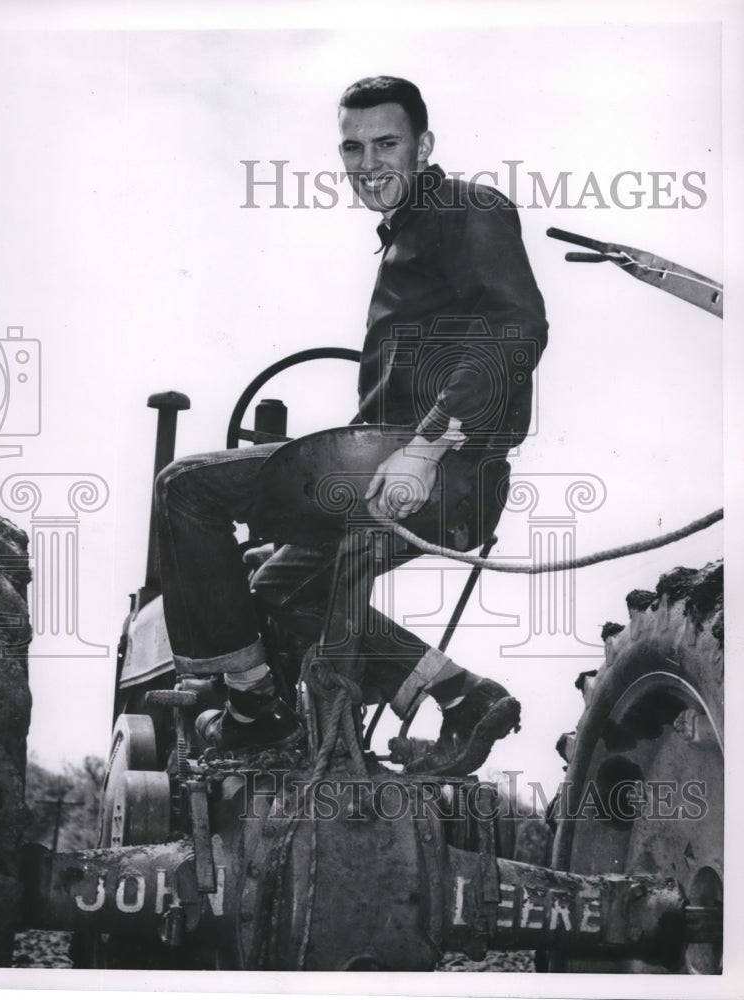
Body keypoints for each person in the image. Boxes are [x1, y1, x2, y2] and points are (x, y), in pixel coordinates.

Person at [155, 76, 548, 776]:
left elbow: (516, 329)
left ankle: (252, 710)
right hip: (388, 461)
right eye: (352, 148)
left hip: (439, 468)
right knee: (278, 590)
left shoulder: (464, 208)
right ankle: (460, 696)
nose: (368, 164)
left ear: (423, 145)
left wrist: (425, 445)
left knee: (188, 490)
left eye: (386, 144)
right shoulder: (405, 237)